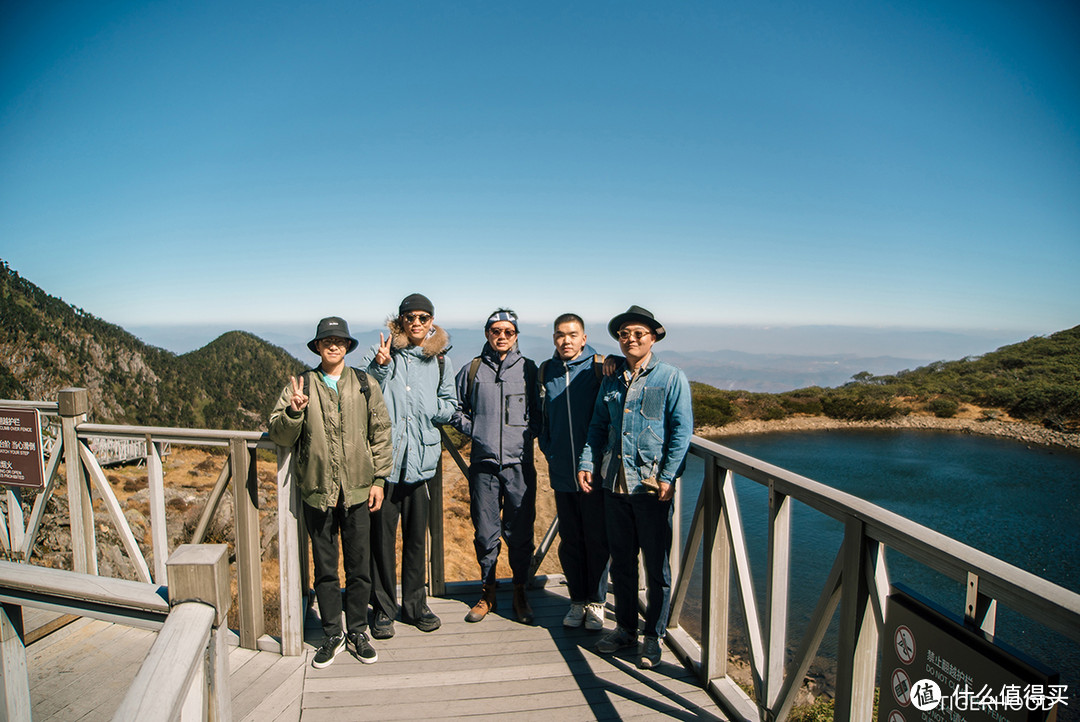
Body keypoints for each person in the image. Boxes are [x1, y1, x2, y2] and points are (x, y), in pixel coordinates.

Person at [268, 316, 393, 669]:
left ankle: (356, 631)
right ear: (318, 346)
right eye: (327, 340)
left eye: (340, 340)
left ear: (348, 346)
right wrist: (294, 410)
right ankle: (332, 634)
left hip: (357, 492)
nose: (334, 345)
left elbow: (381, 433)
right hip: (318, 491)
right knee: (325, 570)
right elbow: (278, 434)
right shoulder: (302, 384)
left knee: (358, 568)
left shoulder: (365, 383)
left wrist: (379, 481)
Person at [577, 306, 693, 670]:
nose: (631, 339)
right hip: (614, 485)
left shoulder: (672, 378)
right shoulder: (612, 379)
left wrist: (668, 476)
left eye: (638, 333)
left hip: (650, 488)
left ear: (653, 336)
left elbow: (681, 432)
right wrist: (586, 463)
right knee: (622, 565)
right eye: (625, 334)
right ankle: (626, 629)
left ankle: (653, 637)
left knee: (656, 570)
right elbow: (598, 426)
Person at [362, 294, 457, 639]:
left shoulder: (441, 361)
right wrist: (381, 365)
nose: (416, 323)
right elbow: (366, 392)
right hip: (386, 466)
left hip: (422, 463)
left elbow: (450, 404)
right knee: (381, 541)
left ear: (432, 321)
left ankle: (416, 606)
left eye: (423, 317)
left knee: (417, 540)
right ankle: (383, 609)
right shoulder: (386, 353)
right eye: (410, 317)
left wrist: (434, 410)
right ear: (400, 320)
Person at [450, 308, 541, 624]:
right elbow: (454, 407)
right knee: (486, 533)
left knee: (520, 533)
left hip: (519, 465)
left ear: (516, 335)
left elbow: (541, 414)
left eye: (508, 332)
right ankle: (488, 591)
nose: (502, 337)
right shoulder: (473, 369)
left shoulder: (530, 370)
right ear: (487, 333)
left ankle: (519, 590)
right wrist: (476, 430)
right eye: (495, 331)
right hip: (483, 466)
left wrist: (524, 432)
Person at [537, 313, 609, 631]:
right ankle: (577, 601)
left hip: (593, 473)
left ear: (583, 337)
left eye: (572, 334)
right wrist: (550, 451)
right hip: (562, 472)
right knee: (570, 540)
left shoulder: (599, 367)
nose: (566, 340)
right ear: (554, 338)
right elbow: (543, 419)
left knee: (596, 539)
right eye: (560, 335)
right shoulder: (547, 371)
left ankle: (596, 602)